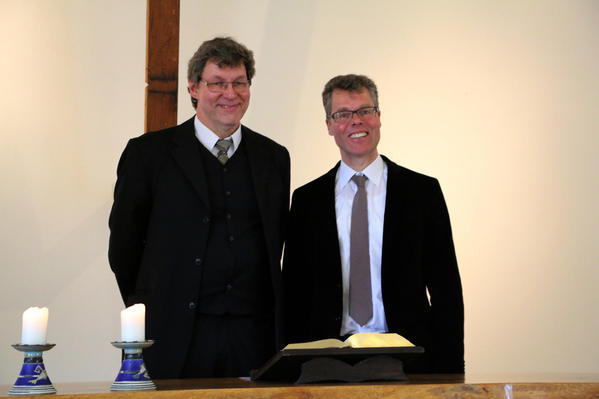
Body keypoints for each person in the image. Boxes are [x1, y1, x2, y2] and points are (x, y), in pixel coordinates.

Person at [109, 37, 290, 378]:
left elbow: (276, 240)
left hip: (253, 336)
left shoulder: (274, 157)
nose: (230, 94)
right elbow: (123, 247)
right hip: (172, 333)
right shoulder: (148, 154)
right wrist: (152, 306)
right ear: (193, 88)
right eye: (217, 83)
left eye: (239, 83)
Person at [282, 74, 464, 373]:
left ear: (378, 117)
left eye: (365, 111)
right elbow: (295, 292)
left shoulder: (422, 193)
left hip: (409, 357)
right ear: (329, 125)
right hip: (326, 360)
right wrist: (291, 367)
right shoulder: (306, 201)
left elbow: (447, 289)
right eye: (343, 114)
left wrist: (453, 367)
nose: (356, 121)